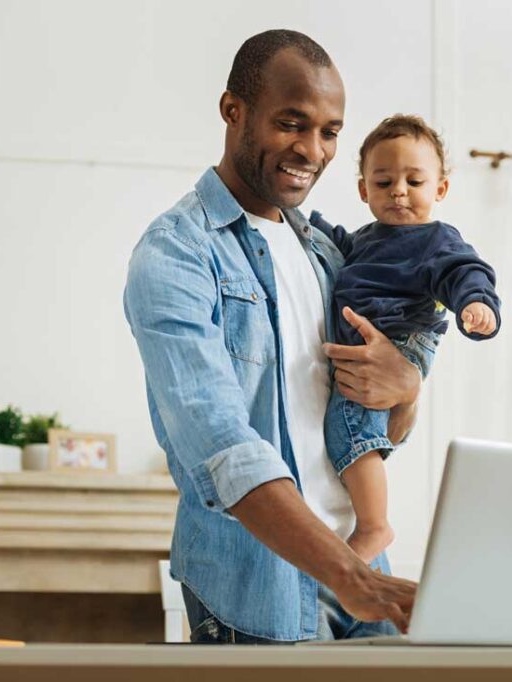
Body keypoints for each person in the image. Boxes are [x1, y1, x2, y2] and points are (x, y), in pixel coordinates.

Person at [123, 29, 421, 643]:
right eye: (291, 123)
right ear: (234, 110)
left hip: (363, 573)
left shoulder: (329, 254)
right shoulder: (177, 252)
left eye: (330, 131)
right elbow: (224, 450)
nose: (312, 150)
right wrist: (348, 576)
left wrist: (408, 389)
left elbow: (376, 432)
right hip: (256, 590)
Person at [310, 115, 501, 564]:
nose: (398, 190)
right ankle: (371, 521)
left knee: (350, 428)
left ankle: (375, 526)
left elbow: (463, 271)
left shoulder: (435, 240)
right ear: (364, 190)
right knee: (353, 429)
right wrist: (306, 221)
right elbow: (340, 248)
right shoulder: (368, 240)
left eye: (414, 181)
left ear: (440, 189)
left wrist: (477, 303)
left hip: (403, 338)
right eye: (383, 181)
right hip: (377, 343)